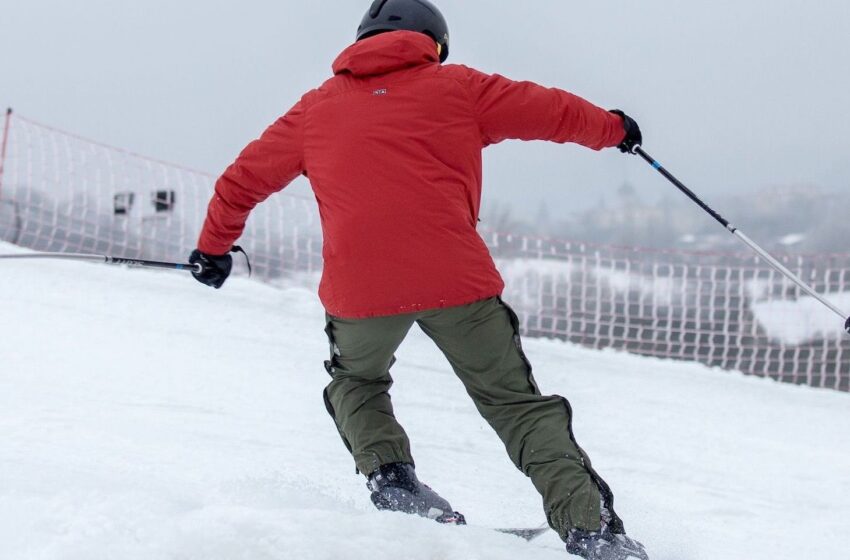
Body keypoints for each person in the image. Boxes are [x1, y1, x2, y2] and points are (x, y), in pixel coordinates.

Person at [189, 1, 647, 558]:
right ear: (434, 42)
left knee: (356, 382)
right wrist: (615, 129)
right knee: (513, 404)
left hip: (360, 295)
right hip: (457, 282)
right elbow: (551, 110)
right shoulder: (460, 88)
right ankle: (592, 532)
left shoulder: (314, 110)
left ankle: (394, 483)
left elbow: (240, 181)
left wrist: (212, 250)